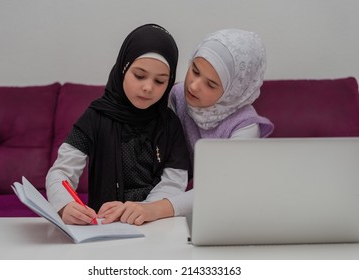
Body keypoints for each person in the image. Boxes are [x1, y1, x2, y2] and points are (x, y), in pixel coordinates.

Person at [46, 23, 190, 226]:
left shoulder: (169, 124)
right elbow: (60, 172)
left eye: (160, 81)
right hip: (103, 226)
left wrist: (145, 210)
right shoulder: (95, 117)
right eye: (139, 76)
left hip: (154, 224)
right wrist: (65, 205)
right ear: (123, 69)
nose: (148, 87)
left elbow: (174, 182)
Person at [168, 28, 275, 217]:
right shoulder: (177, 96)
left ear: (233, 91)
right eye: (194, 70)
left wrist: (159, 208)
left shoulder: (245, 125)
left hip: (228, 210)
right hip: (176, 193)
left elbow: (224, 189)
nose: (193, 86)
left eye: (210, 84)